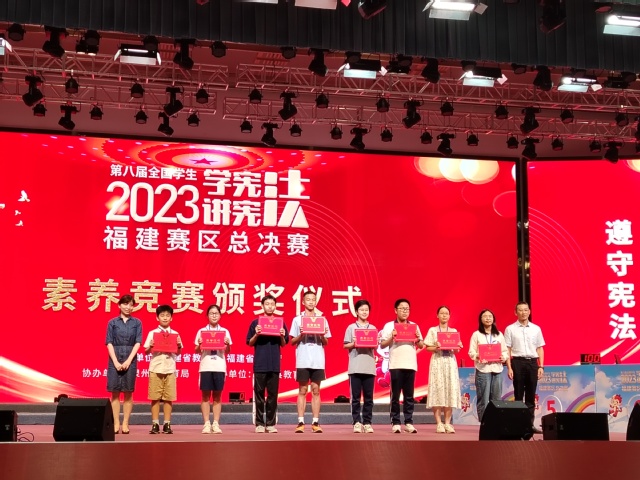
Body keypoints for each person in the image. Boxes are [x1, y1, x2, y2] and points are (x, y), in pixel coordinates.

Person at [380, 298, 424, 434]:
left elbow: (421, 345)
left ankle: (409, 422)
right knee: (395, 396)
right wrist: (391, 337)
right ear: (395, 310)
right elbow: (382, 344)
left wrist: (418, 339)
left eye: (407, 309)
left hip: (410, 364)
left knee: (409, 396)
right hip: (396, 364)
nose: (405, 311)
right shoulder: (389, 326)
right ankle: (395, 422)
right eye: (402, 308)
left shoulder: (414, 326)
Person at [247, 294, 289, 433]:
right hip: (260, 364)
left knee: (272, 395)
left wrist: (282, 335)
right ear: (262, 306)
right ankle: (259, 423)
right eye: (267, 304)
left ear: (275, 306)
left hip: (274, 365)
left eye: (272, 304)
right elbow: (249, 342)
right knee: (259, 395)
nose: (270, 306)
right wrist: (257, 334)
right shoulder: (255, 323)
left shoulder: (280, 323)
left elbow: (284, 343)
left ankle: (270, 424)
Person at [290, 290, 331, 433]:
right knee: (302, 390)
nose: (311, 302)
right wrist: (301, 334)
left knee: (316, 390)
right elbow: (292, 341)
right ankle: (300, 422)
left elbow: (326, 341)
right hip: (303, 360)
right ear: (303, 302)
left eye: (313, 299)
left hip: (318, 360)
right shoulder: (297, 320)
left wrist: (322, 335)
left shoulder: (322, 320)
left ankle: (315, 422)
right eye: (308, 299)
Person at [505, 301, 546, 434]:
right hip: (517, 362)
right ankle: (518, 426)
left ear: (529, 311)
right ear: (515, 312)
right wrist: (509, 367)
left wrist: (541, 366)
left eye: (525, 310)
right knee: (518, 395)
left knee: (530, 396)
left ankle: (529, 425)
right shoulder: (510, 329)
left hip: (533, 363)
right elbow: (507, 349)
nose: (523, 312)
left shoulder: (536, 329)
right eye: (520, 310)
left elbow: (540, 348)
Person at [105, 294, 143, 434]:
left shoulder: (137, 323)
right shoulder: (112, 322)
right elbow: (109, 342)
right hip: (114, 357)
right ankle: (116, 422)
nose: (128, 307)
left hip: (130, 357)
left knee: (128, 391)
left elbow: (138, 342)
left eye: (131, 305)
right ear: (119, 305)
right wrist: (115, 361)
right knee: (114, 392)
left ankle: (125, 422)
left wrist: (128, 360)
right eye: (125, 304)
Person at [143, 304, 183, 434]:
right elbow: (146, 352)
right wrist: (150, 346)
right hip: (156, 368)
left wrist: (178, 346)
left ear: (171, 318)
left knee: (168, 397)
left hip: (170, 368)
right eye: (162, 315)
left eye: (167, 315)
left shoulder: (175, 334)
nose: (165, 318)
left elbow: (179, 353)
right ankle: (155, 424)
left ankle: (167, 424)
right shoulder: (152, 333)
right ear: (157, 318)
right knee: (154, 397)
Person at [425, 305, 462, 434]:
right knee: (437, 391)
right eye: (441, 313)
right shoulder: (433, 330)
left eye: (446, 313)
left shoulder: (453, 331)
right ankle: (439, 423)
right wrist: (436, 346)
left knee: (450, 391)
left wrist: (458, 346)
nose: (444, 315)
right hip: (438, 362)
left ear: (449, 316)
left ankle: (447, 423)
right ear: (437, 315)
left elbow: (456, 350)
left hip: (450, 363)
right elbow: (427, 347)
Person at [195, 304, 231, 434]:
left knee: (217, 396)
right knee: (205, 396)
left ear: (220, 315)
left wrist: (227, 344)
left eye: (216, 313)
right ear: (207, 316)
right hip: (206, 366)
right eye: (211, 313)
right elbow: (196, 350)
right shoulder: (202, 331)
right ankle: (206, 423)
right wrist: (199, 344)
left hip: (219, 367)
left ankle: (216, 423)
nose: (214, 316)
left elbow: (228, 351)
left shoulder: (225, 332)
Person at [343, 299, 377, 434]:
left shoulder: (373, 328)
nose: (364, 312)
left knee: (369, 398)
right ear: (356, 312)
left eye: (366, 310)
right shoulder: (351, 328)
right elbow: (345, 345)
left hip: (369, 367)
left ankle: (367, 423)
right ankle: (357, 422)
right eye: (362, 310)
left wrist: (374, 343)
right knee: (355, 398)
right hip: (355, 367)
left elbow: (376, 345)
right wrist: (354, 343)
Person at [468, 309, 508, 422]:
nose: (488, 318)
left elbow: (505, 351)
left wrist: (503, 357)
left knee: (497, 399)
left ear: (493, 319)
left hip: (497, 369)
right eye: (485, 316)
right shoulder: (476, 335)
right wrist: (479, 356)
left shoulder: (499, 334)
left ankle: (495, 423)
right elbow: (471, 352)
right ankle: (484, 423)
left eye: (490, 316)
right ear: (481, 319)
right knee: (483, 399)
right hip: (483, 370)